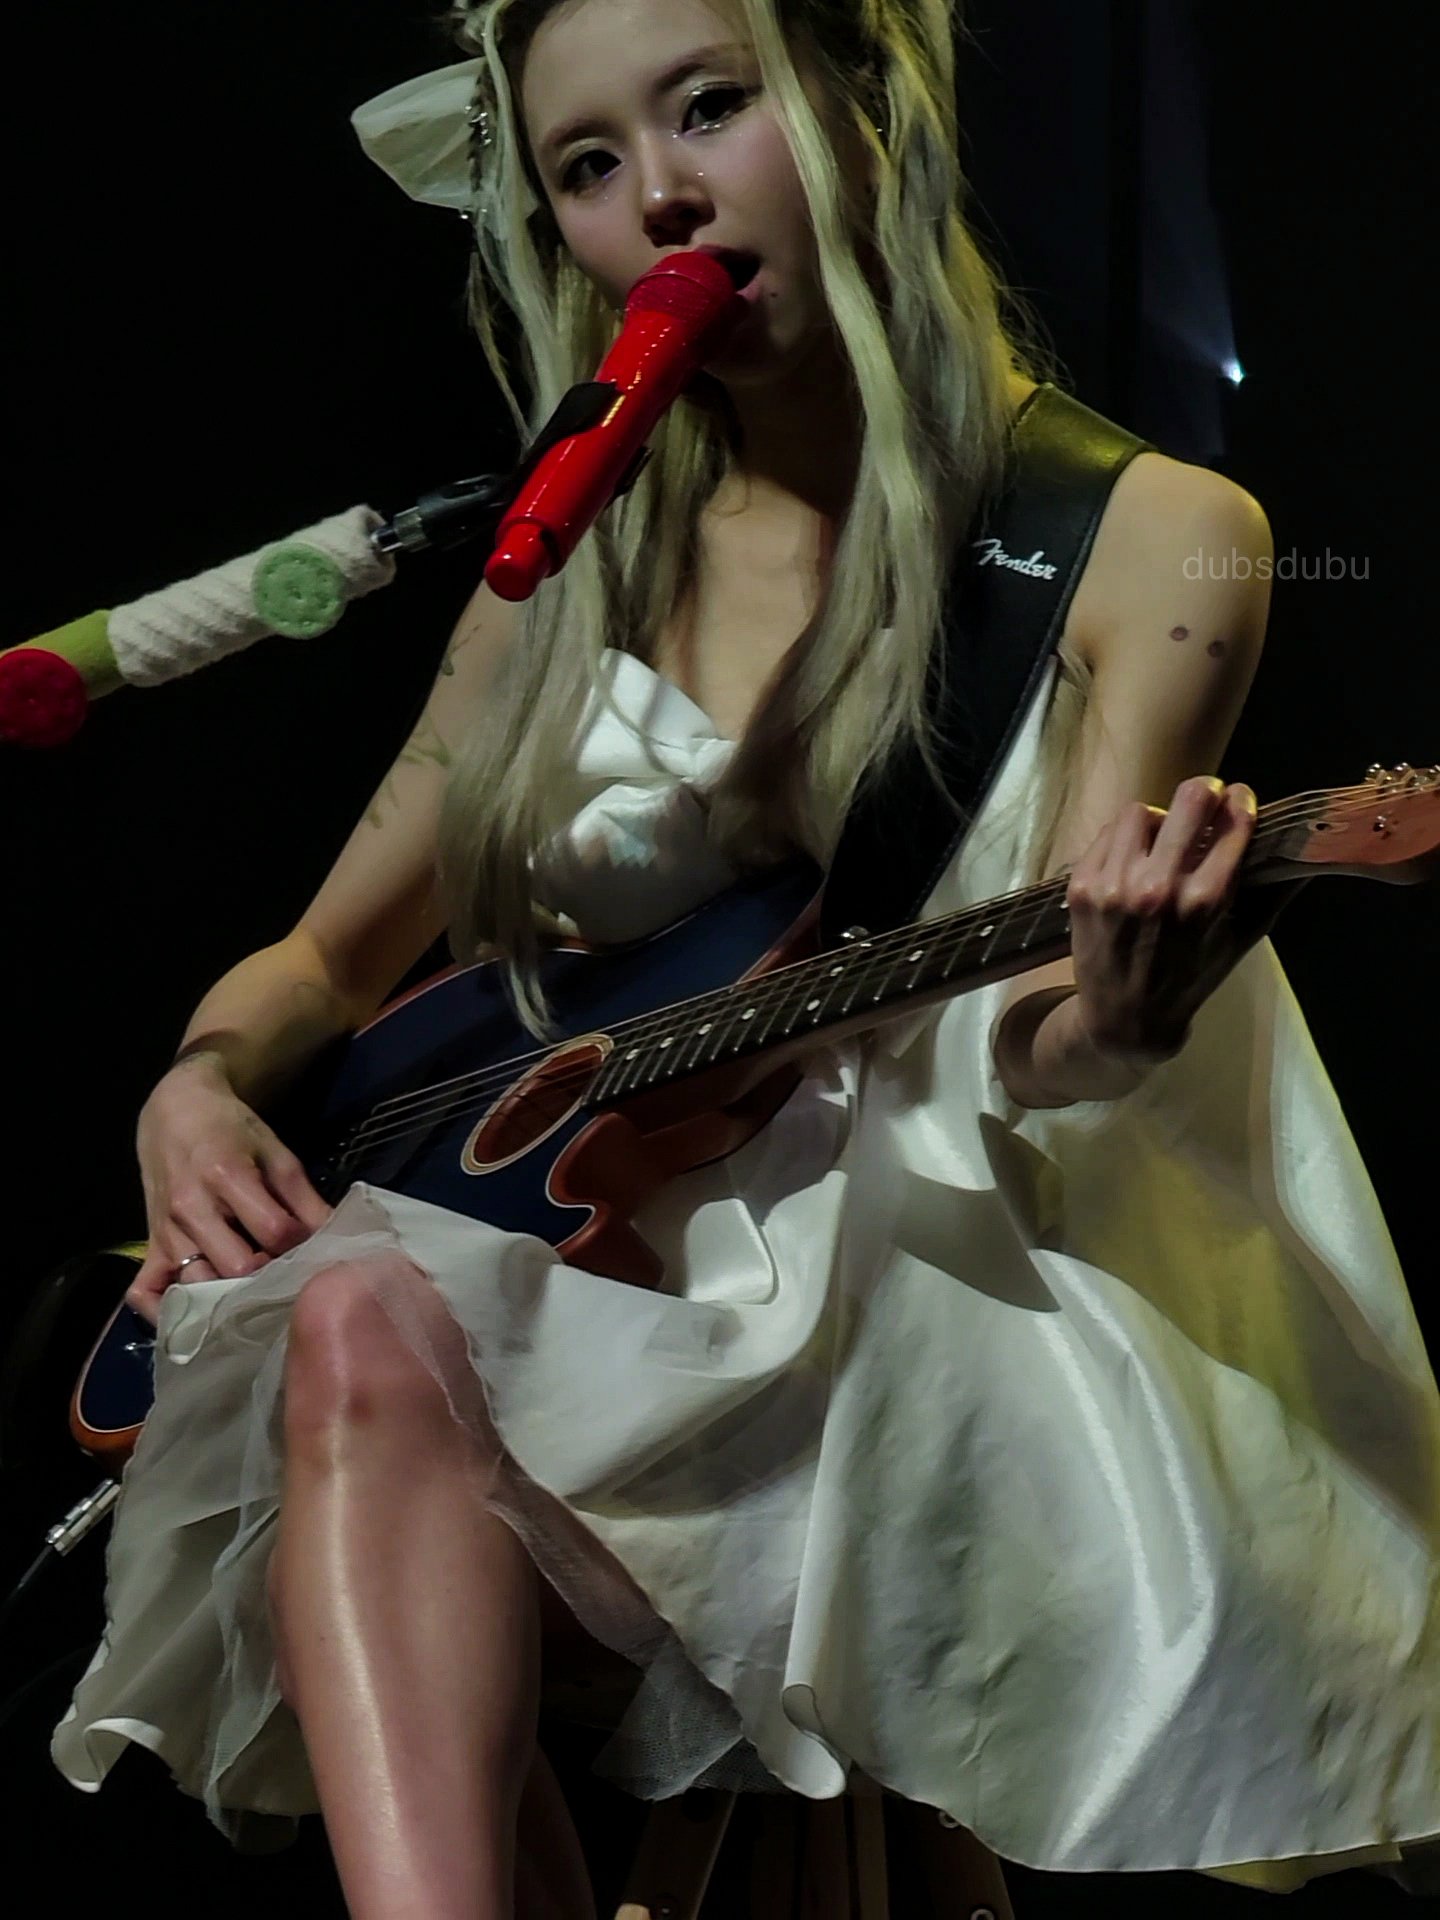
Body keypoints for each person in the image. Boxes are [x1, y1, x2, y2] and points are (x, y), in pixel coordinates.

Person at [51, 2, 1440, 1916]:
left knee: (368, 1338)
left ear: (865, 107)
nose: (662, 197)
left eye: (712, 107)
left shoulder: (1147, 536)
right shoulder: (569, 564)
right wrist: (199, 1087)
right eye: (588, 164)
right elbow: (319, 961)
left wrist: (1123, 1009)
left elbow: (1049, 1033)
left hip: (927, 1269)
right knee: (362, 1331)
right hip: (586, 1250)